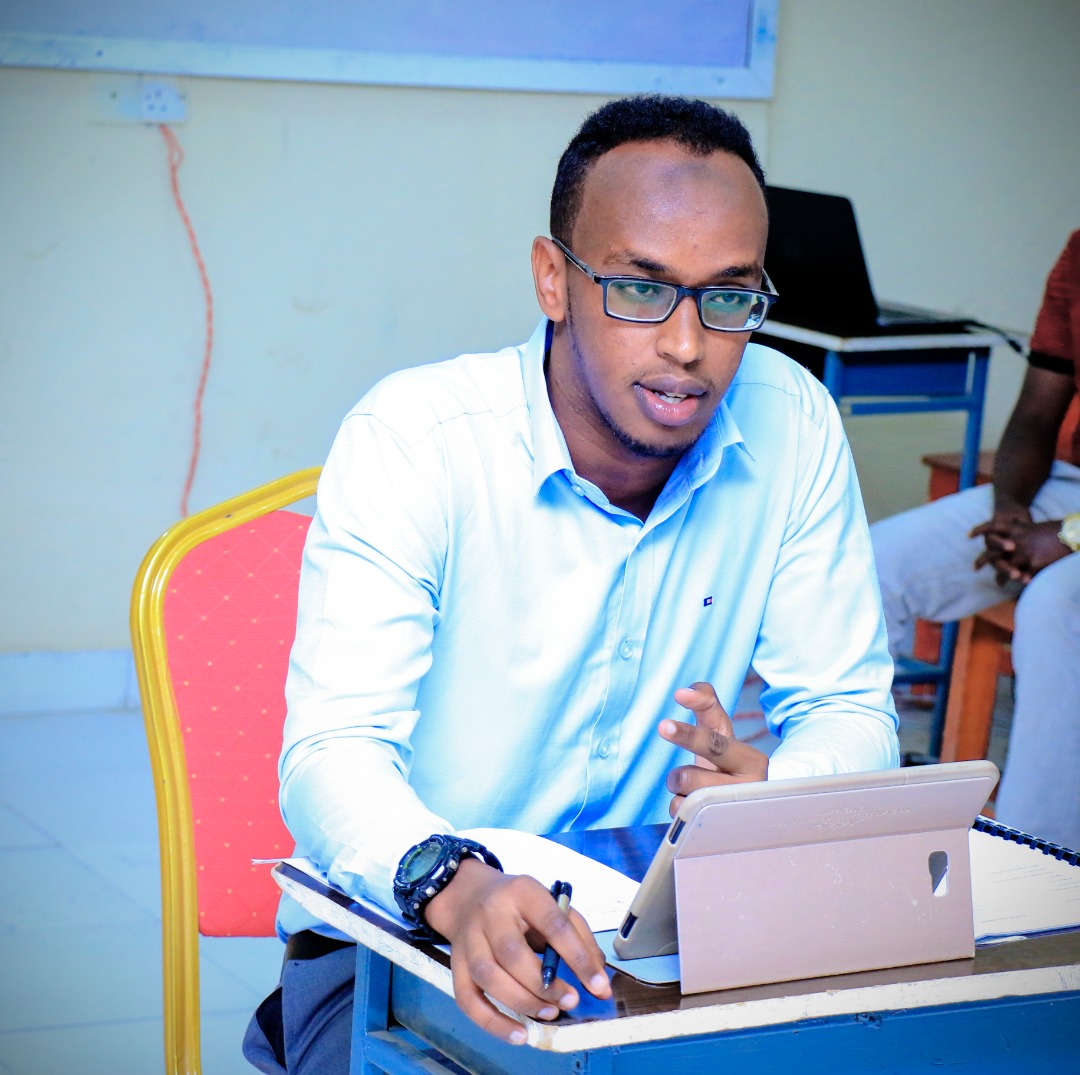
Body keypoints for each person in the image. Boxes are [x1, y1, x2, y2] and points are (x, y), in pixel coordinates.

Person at [244, 94, 899, 1072]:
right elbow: (331, 755)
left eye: (729, 296)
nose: (688, 345)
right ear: (554, 278)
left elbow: (853, 711)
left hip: (655, 945)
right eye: (641, 289)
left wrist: (784, 791)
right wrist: (458, 887)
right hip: (407, 939)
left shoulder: (793, 424)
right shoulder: (414, 441)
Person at [872, 230, 1080, 852]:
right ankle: (850, 809)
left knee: (1057, 603)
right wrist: (1013, 512)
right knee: (876, 563)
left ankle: (1042, 860)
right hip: (1064, 490)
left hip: (1071, 521)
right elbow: (1038, 412)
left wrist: (1067, 537)